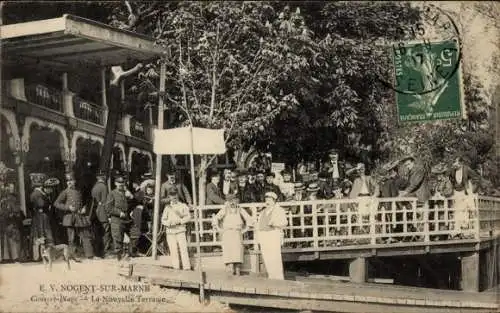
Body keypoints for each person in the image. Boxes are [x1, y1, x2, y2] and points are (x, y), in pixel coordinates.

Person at [54, 172, 94, 261]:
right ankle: (73, 255)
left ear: (75, 181)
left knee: (85, 235)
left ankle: (89, 255)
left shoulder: (79, 191)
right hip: (69, 217)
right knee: (71, 238)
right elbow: (56, 203)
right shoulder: (65, 192)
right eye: (67, 181)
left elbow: (86, 202)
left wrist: (85, 208)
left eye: (71, 180)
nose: (69, 182)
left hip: (80, 216)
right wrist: (68, 207)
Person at [211, 193, 253, 275]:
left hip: (237, 233)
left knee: (237, 254)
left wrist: (246, 229)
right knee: (229, 255)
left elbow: (249, 218)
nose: (232, 202)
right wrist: (219, 229)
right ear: (227, 201)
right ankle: (230, 274)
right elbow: (215, 218)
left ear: (236, 200)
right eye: (230, 200)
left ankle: (237, 273)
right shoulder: (225, 209)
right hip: (227, 233)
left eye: (233, 200)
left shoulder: (240, 209)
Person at [256, 192, 288, 280]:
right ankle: (271, 276)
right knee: (266, 256)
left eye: (270, 200)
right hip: (264, 235)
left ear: (274, 201)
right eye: (266, 199)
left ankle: (278, 277)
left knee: (275, 256)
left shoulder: (279, 210)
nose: (267, 201)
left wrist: (275, 223)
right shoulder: (263, 211)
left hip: (273, 234)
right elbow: (259, 224)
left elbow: (284, 222)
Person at [29, 174, 58, 261]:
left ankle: (39, 256)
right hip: (41, 216)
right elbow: (41, 204)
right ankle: (39, 256)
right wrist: (48, 204)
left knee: (39, 234)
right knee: (42, 234)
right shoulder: (37, 194)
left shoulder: (37, 193)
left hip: (39, 216)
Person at [161, 189, 191, 270]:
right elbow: (163, 220)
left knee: (183, 249)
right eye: (172, 196)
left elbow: (188, 217)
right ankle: (176, 267)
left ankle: (187, 267)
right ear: (169, 197)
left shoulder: (183, 206)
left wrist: (180, 221)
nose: (173, 197)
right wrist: (169, 223)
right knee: (173, 250)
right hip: (170, 231)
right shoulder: (167, 207)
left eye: (175, 195)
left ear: (178, 196)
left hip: (180, 230)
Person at [106, 175, 133, 261]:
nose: (121, 184)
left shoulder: (126, 192)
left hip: (127, 219)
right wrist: (119, 213)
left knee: (134, 234)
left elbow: (132, 204)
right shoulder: (112, 193)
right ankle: (119, 257)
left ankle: (129, 254)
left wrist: (131, 197)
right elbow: (108, 207)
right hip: (116, 219)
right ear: (115, 183)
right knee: (118, 238)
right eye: (119, 183)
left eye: (122, 183)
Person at [0, 181, 23, 262]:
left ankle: (13, 256)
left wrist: (14, 213)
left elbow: (17, 209)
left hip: (10, 220)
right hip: (5, 220)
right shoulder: (4, 199)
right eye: (9, 188)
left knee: (11, 238)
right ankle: (7, 257)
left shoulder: (12, 198)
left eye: (12, 188)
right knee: (6, 238)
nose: (10, 189)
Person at [91, 171, 112, 258]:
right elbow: (105, 201)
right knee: (106, 233)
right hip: (103, 212)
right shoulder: (103, 186)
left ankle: (97, 252)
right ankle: (106, 252)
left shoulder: (94, 187)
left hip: (96, 212)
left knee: (97, 234)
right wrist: (109, 214)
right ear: (103, 177)